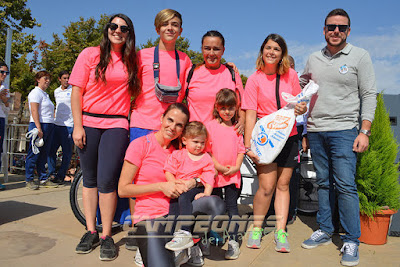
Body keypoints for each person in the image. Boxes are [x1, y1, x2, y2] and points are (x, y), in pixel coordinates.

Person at [299, 9, 376, 267]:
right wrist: (304, 128)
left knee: (344, 185)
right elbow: (300, 87)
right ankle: (324, 229)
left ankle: (351, 239)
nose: (336, 31)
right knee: (323, 183)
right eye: (331, 27)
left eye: (341, 28)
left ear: (348, 31)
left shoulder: (360, 56)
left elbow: (369, 94)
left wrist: (364, 130)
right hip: (317, 130)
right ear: (324, 30)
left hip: (345, 131)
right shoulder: (312, 58)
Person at [69, 13, 140, 261]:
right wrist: (78, 126)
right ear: (106, 29)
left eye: (123, 28)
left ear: (129, 33)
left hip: (117, 124)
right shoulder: (89, 54)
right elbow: (76, 91)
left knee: (107, 180)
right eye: (113, 26)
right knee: (89, 179)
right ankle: (90, 230)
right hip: (88, 121)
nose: (117, 30)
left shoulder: (133, 60)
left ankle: (107, 235)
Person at [242, 33, 307, 252]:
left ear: (282, 54)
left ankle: (281, 231)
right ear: (262, 51)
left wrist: (301, 108)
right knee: (267, 186)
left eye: (276, 49)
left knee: (283, 185)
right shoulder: (254, 79)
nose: (271, 52)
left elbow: (301, 105)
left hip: (289, 138)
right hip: (265, 141)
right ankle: (257, 228)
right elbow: (250, 114)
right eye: (268, 48)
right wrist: (248, 145)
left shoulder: (291, 75)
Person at [118, 103, 192, 267]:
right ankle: (151, 251)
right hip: (149, 218)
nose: (172, 127)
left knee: (213, 204)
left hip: (175, 218)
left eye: (179, 125)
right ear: (161, 118)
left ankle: (189, 246)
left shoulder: (180, 153)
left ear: (183, 130)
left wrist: (192, 182)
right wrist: (160, 186)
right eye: (170, 120)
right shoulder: (141, 144)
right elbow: (123, 189)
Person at [205, 88, 245, 259]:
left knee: (232, 209)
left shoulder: (237, 129)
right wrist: (218, 167)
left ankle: (233, 242)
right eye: (223, 108)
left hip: (232, 176)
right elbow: (207, 151)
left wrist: (236, 167)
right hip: (214, 176)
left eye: (231, 108)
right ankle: (205, 240)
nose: (227, 112)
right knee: (211, 210)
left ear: (236, 108)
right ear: (217, 107)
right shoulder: (210, 126)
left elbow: (241, 150)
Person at [164, 121, 215, 252]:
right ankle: (171, 235)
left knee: (184, 198)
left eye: (202, 142)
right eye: (196, 142)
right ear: (185, 140)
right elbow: (169, 170)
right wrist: (173, 184)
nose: (199, 146)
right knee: (173, 206)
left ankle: (185, 232)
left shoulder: (205, 158)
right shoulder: (178, 155)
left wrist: (207, 193)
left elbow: (209, 176)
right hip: (179, 186)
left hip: (195, 188)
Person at [180, 30, 245, 133]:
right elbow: (178, 102)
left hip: (224, 137)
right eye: (207, 48)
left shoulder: (232, 74)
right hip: (195, 138)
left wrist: (242, 120)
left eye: (216, 49)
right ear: (201, 49)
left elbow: (242, 105)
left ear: (223, 50)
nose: (211, 53)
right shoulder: (190, 73)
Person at [25, 70, 57, 190]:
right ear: (38, 80)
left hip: (49, 124)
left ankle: (43, 178)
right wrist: (38, 127)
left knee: (44, 153)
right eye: (45, 79)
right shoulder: (35, 93)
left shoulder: (45, 94)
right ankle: (29, 179)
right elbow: (34, 110)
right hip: (39, 125)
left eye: (49, 79)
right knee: (34, 153)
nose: (47, 81)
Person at [47, 70, 73, 185]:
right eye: (64, 78)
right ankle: (51, 173)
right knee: (51, 150)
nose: (67, 80)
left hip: (68, 125)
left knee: (66, 153)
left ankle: (61, 176)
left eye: (68, 78)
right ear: (60, 79)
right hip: (57, 124)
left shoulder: (73, 90)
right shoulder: (56, 91)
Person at [0, 62, 10, 190]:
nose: (4, 75)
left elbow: (7, 107)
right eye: (1, 72)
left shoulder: (5, 87)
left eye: (6, 73)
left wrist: (4, 100)